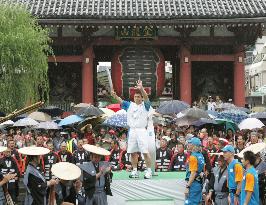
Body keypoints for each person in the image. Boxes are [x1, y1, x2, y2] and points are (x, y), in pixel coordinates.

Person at [111, 80, 153, 179]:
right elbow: (120, 100)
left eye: (138, 96)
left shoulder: (145, 106)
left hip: (142, 130)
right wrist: (114, 95)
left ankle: (149, 171)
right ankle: (135, 170)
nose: (136, 98)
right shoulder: (129, 105)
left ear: (141, 98)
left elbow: (147, 98)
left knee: (145, 152)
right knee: (133, 152)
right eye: (135, 96)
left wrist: (141, 88)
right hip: (132, 131)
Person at [184, 137, 205, 205]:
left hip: (193, 184)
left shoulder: (193, 157)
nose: (188, 145)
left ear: (193, 145)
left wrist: (188, 186)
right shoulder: (201, 155)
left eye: (190, 143)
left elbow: (193, 173)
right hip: (199, 183)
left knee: (190, 203)